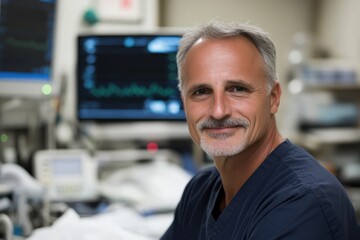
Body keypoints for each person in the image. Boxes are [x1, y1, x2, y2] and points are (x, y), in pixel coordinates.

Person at [161, 21, 360, 240]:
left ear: (273, 98)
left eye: (238, 89)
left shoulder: (303, 203)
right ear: (184, 103)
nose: (218, 111)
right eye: (201, 91)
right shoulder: (200, 191)